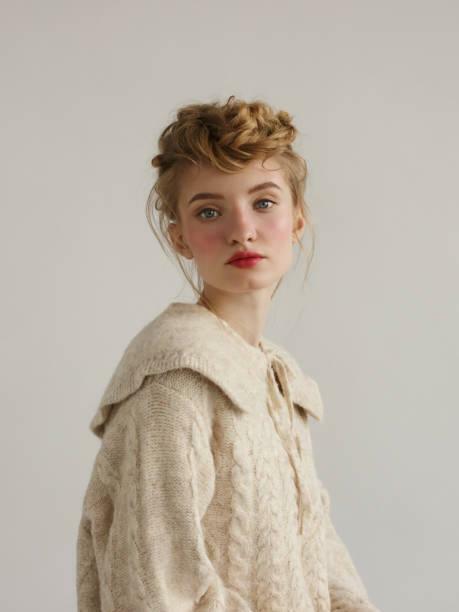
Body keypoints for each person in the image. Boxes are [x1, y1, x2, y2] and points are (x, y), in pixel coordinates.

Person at [76, 95, 380, 611]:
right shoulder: (172, 388)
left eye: (263, 203)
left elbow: (320, 561)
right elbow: (152, 593)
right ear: (180, 238)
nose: (242, 230)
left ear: (298, 220)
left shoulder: (274, 378)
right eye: (210, 211)